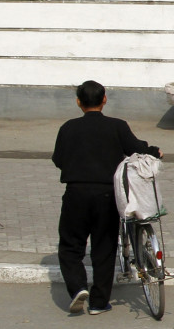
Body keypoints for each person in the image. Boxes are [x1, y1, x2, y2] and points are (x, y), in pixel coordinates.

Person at [51, 80, 161, 315]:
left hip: (76, 193)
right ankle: (99, 302)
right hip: (107, 195)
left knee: (71, 246)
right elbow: (136, 148)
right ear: (104, 99)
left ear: (78, 102)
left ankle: (78, 287)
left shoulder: (68, 127)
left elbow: (58, 159)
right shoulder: (117, 126)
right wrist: (155, 151)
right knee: (104, 246)